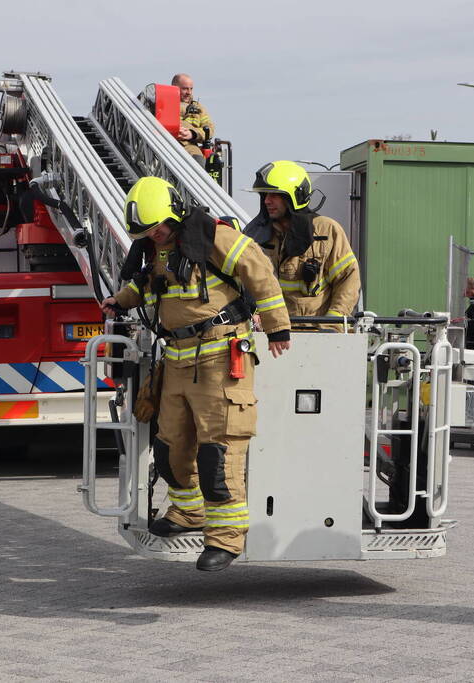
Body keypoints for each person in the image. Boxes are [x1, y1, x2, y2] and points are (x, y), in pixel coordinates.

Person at [101, 176, 291, 572]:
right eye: (147, 234)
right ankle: (187, 514)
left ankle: (225, 539)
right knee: (170, 448)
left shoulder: (214, 238)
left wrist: (277, 326)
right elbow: (145, 287)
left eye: (158, 229)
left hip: (221, 356)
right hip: (177, 357)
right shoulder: (157, 251)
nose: (155, 237)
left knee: (217, 452)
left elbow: (257, 269)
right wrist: (118, 301)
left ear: (175, 215)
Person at [244, 160, 360, 330]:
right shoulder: (256, 235)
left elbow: (348, 280)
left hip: (317, 336)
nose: (267, 201)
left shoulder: (326, 231)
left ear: (294, 196)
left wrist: (332, 326)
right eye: (264, 195)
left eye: (274, 195)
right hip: (273, 336)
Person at [171, 73, 213, 165]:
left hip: (190, 148)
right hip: (167, 145)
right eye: (185, 88)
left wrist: (192, 134)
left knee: (199, 165)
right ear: (174, 88)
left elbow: (210, 130)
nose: (189, 92)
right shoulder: (165, 104)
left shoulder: (199, 108)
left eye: (191, 89)